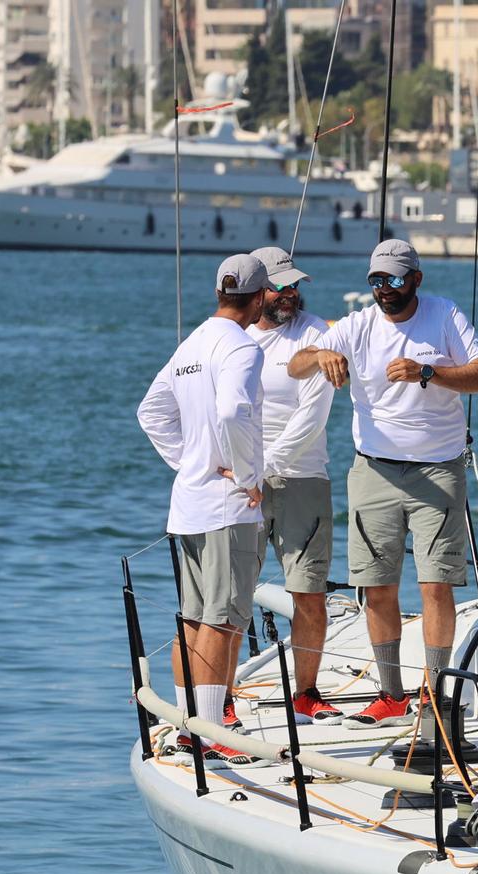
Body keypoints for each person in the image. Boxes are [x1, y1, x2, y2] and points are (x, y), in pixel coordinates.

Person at [288, 238, 478, 731]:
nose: (384, 290)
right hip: (373, 472)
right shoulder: (357, 325)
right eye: (376, 281)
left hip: (438, 471)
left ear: (416, 280)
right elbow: (294, 364)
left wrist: (430, 372)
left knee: (435, 585)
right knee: (377, 588)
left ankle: (437, 691)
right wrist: (319, 356)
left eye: (394, 280)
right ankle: (391, 693)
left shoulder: (444, 316)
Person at [136, 254, 267, 765]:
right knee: (223, 618)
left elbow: (151, 412)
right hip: (226, 508)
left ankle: (187, 723)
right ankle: (207, 733)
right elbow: (234, 409)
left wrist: (192, 461)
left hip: (188, 503)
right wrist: (244, 473)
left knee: (192, 618)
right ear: (258, 299)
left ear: (220, 293)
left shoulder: (191, 344)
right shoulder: (242, 346)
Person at [246, 245, 340, 723]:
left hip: (301, 477)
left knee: (308, 590)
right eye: (279, 287)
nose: (289, 294)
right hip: (240, 483)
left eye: (294, 286)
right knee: (233, 590)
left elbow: (312, 413)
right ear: (256, 289)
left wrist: (267, 469)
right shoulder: (232, 336)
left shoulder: (316, 334)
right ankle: (218, 697)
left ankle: (306, 692)